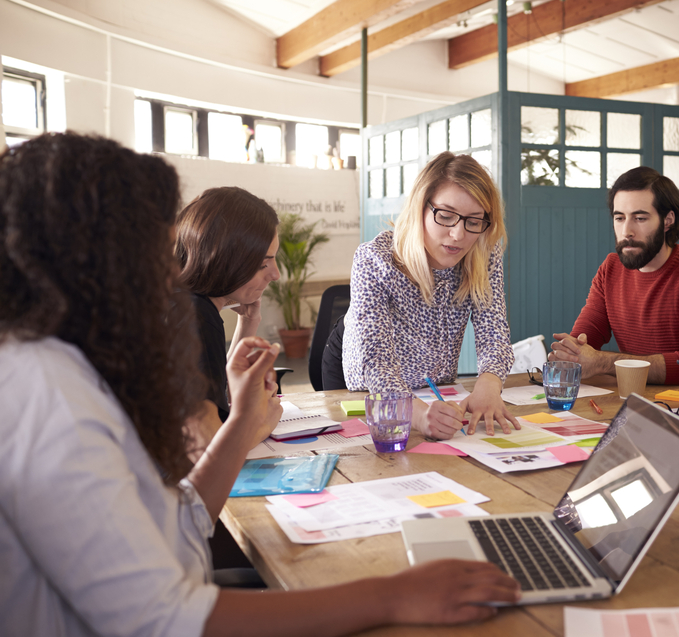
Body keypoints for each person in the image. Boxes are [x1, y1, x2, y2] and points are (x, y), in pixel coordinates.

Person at [0, 133, 520, 637]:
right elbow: (164, 619)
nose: (171, 273)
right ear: (91, 263)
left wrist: (243, 423)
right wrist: (393, 594)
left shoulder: (70, 368)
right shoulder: (46, 398)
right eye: (156, 252)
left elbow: (178, 524)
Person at [341, 151, 518, 439]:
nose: (458, 235)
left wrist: (489, 382)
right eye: (446, 216)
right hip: (369, 391)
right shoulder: (374, 258)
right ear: (420, 208)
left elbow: (494, 329)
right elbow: (376, 361)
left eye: (474, 221)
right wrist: (419, 416)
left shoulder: (483, 252)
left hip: (436, 387)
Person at [547, 166, 679, 390]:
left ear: (668, 221)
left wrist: (602, 362)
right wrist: (570, 354)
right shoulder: (611, 269)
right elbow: (581, 345)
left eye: (639, 218)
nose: (627, 230)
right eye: (619, 218)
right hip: (633, 400)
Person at [175, 187, 281, 426]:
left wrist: (247, 322)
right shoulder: (196, 316)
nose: (275, 274)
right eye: (263, 265)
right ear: (224, 261)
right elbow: (210, 445)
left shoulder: (183, 302)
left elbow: (218, 390)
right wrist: (262, 423)